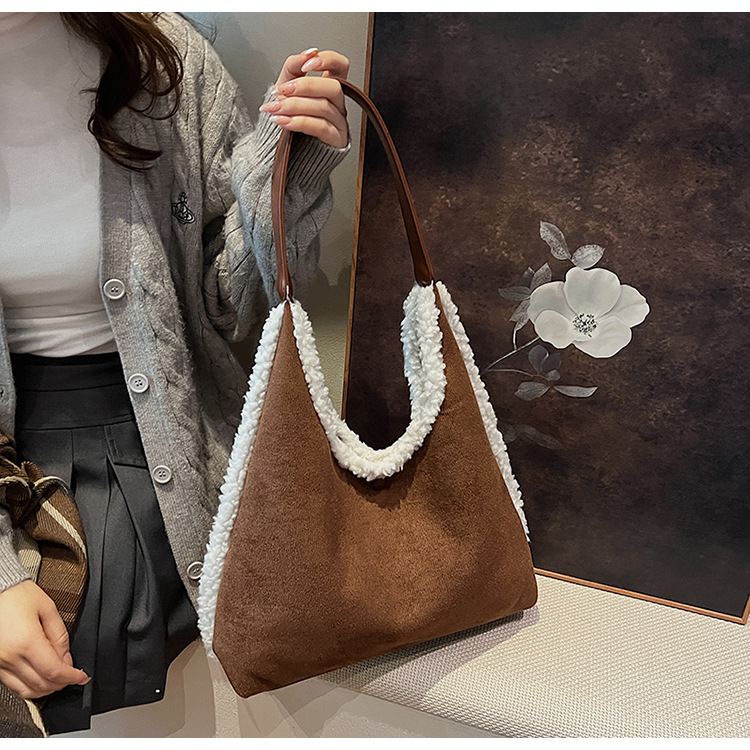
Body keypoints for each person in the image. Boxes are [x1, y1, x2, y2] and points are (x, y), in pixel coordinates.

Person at [0, 11, 350, 735]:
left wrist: (289, 168)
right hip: (18, 448)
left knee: (92, 625)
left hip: (161, 432)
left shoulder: (163, 58)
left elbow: (232, 310)